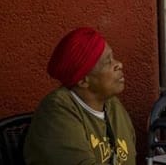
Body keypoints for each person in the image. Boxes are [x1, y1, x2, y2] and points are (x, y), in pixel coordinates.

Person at [25, 28, 135, 165]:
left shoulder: (112, 104)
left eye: (113, 58)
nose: (119, 64)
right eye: (108, 62)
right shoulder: (57, 111)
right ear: (83, 80)